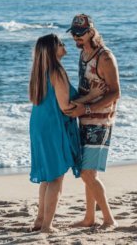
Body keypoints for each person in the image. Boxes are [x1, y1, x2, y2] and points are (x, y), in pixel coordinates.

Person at [29, 33, 107, 233]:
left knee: (48, 176)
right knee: (55, 177)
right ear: (51, 50)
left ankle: (39, 220)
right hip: (53, 126)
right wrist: (91, 96)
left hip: (39, 124)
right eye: (60, 43)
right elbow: (64, 107)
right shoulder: (57, 71)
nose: (64, 45)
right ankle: (47, 226)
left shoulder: (40, 71)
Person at [64, 14, 121, 229]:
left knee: (88, 173)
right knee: (88, 173)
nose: (75, 38)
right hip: (85, 120)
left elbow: (115, 93)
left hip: (101, 121)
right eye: (73, 33)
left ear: (91, 32)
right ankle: (90, 218)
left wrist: (86, 107)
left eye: (79, 34)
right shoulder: (83, 55)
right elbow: (85, 88)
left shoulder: (104, 57)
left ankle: (109, 219)